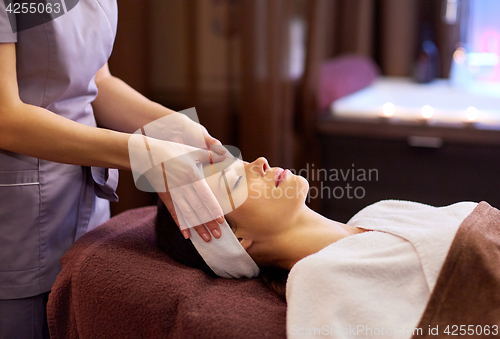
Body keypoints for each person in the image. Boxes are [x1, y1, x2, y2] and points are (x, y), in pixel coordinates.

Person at [0, 1, 224, 338]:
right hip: (18, 219)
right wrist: (143, 153)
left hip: (84, 203)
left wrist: (171, 126)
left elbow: (96, 83)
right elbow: (7, 119)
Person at [156, 157, 479, 338]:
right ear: (235, 241)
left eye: (241, 161)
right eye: (237, 181)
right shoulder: (317, 278)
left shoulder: (383, 210)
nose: (260, 162)